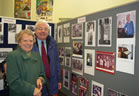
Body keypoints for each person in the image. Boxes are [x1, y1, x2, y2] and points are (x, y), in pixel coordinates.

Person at [6, 29, 46, 96]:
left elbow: (42, 74)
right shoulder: (13, 56)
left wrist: (40, 79)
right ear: (19, 42)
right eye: (25, 40)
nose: (28, 43)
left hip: (36, 93)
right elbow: (13, 81)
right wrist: (32, 90)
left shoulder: (37, 55)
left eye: (31, 41)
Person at [32, 20, 62, 96]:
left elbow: (57, 63)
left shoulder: (53, 42)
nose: (43, 31)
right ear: (35, 30)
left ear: (48, 31)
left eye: (45, 29)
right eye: (40, 28)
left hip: (51, 80)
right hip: (36, 81)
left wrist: (59, 80)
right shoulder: (29, 43)